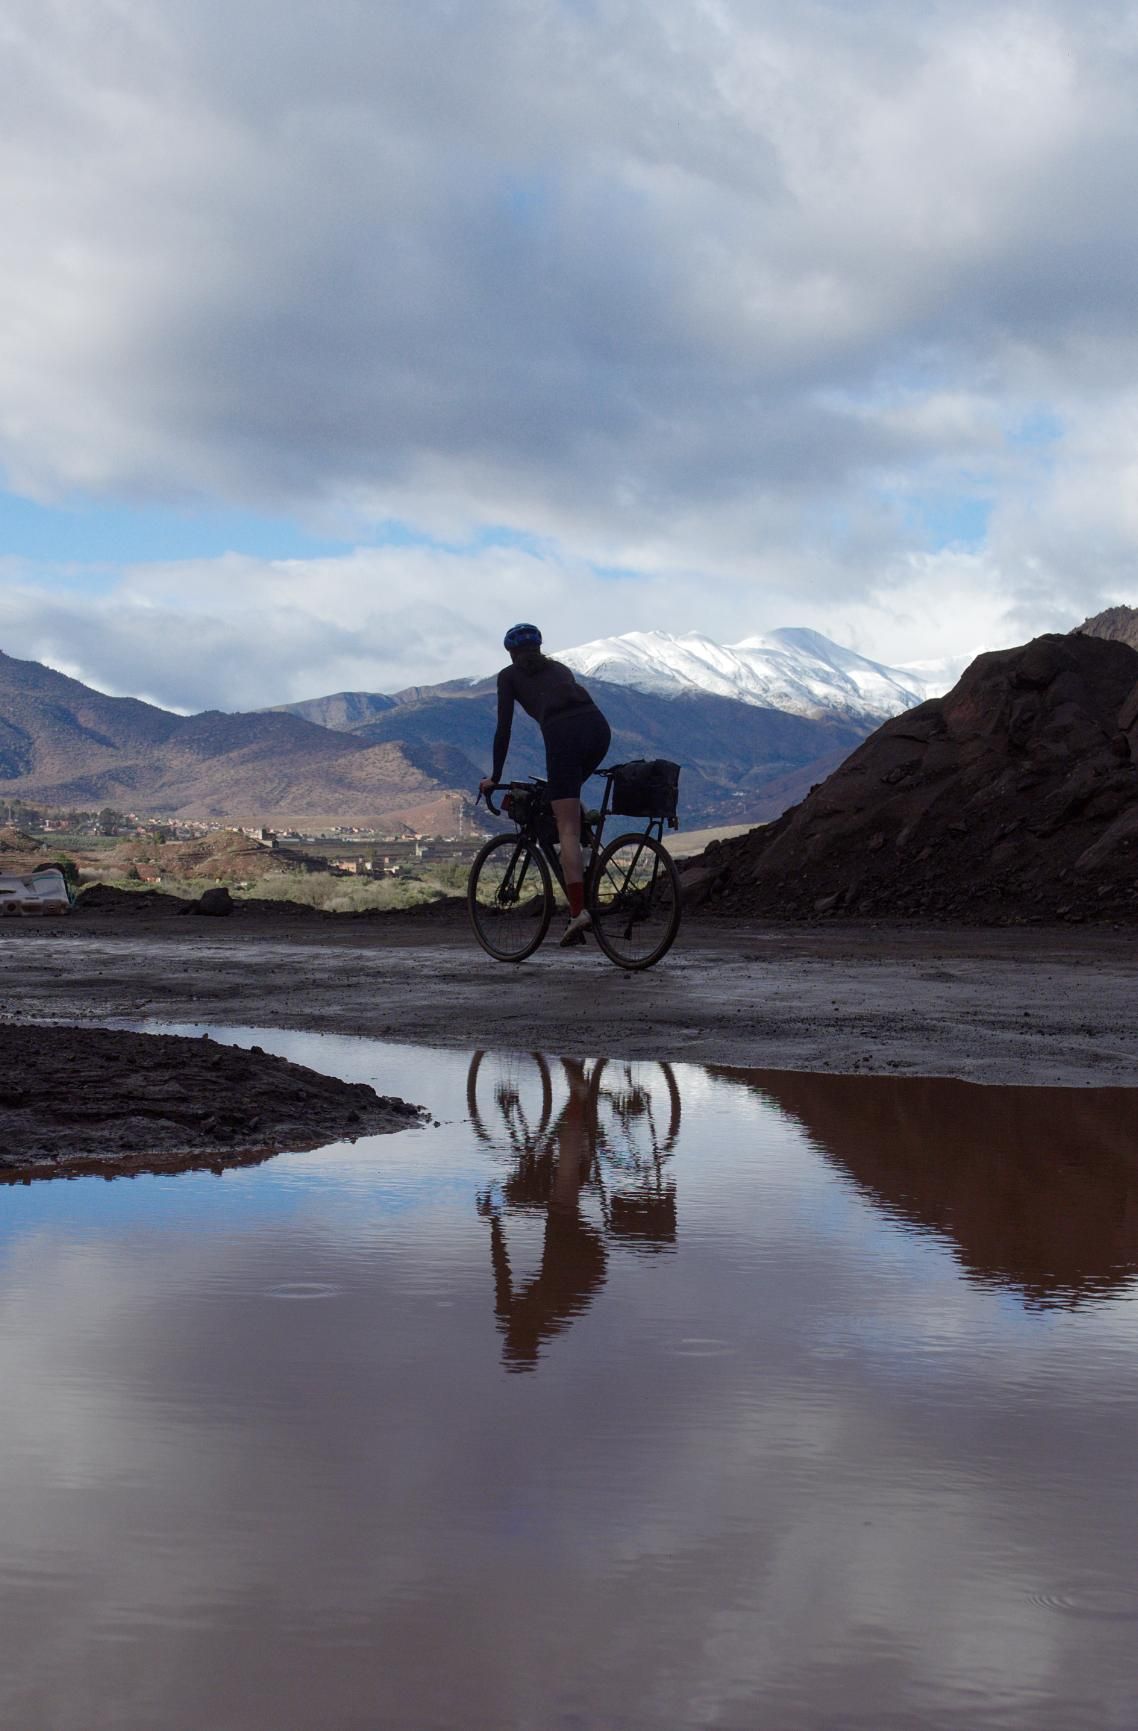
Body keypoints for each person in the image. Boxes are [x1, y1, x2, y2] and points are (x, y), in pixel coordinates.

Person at [479, 623, 611, 944]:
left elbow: (504, 728)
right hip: (598, 730)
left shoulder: (509, 676)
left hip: (563, 736)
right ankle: (591, 856)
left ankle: (578, 912)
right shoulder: (560, 668)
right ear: (539, 648)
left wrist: (495, 776)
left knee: (567, 830)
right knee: (566, 797)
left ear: (512, 654)